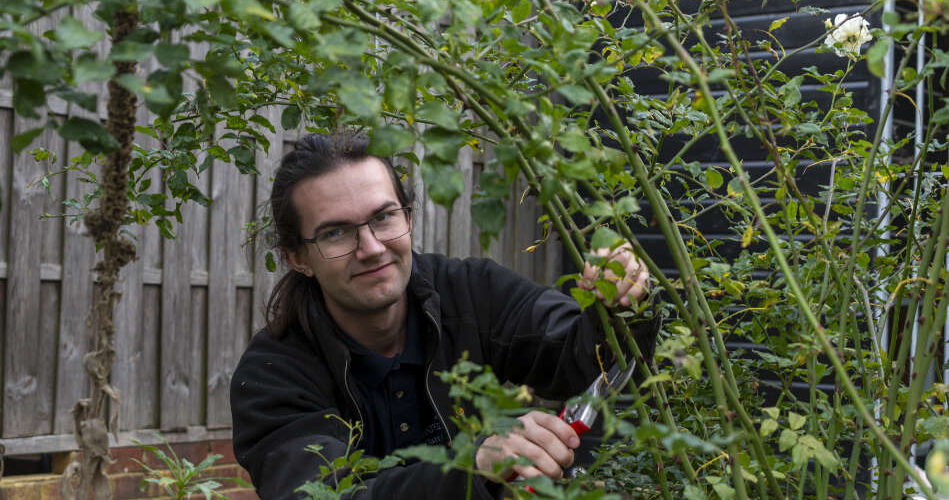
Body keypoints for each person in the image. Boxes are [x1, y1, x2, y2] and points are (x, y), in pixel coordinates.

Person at [229, 132, 653, 499]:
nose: (372, 247)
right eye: (336, 232)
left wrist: (620, 303)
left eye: (383, 217)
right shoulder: (272, 376)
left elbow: (578, 356)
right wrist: (471, 468)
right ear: (298, 257)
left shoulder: (471, 294)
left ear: (409, 216)